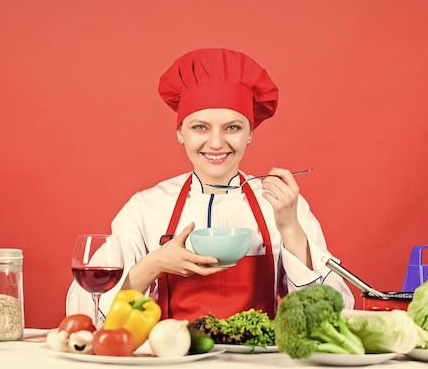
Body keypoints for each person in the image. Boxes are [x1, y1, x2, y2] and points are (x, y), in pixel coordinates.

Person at [66, 48, 354, 324]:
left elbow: (329, 316)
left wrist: (290, 228)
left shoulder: (283, 205)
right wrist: (153, 265)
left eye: (232, 127)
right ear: (180, 133)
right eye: (200, 127)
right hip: (172, 360)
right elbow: (84, 311)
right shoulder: (145, 208)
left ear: (250, 134)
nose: (216, 143)